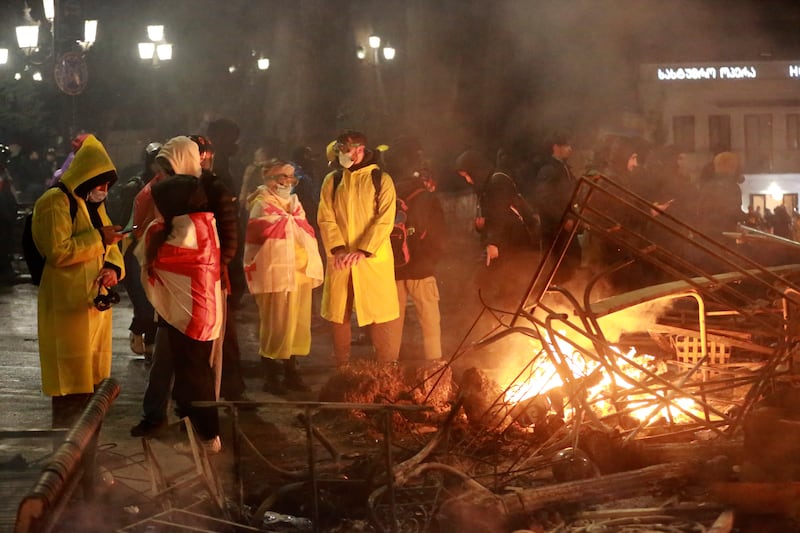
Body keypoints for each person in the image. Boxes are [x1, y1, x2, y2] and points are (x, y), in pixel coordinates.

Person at [135, 136, 223, 454]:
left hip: (193, 310)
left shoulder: (191, 225)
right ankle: (197, 433)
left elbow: (167, 258)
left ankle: (207, 436)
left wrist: (151, 236)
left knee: (195, 372)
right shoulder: (196, 218)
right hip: (185, 307)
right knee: (187, 373)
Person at [31, 134, 125, 428]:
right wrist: (99, 238)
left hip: (93, 308)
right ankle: (67, 461)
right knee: (71, 385)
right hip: (67, 307)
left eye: (108, 185)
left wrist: (113, 268)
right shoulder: (54, 202)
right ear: (85, 177)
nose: (104, 190)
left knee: (93, 388)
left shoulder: (91, 204)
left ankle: (86, 462)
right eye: (100, 183)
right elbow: (58, 251)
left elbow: (111, 247)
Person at [317, 130, 400, 366]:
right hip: (341, 259)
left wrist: (363, 250)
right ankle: (341, 369)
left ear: (360, 149)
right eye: (339, 150)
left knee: (378, 314)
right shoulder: (333, 180)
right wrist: (339, 250)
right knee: (339, 314)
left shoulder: (381, 179)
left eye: (345, 150)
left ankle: (385, 372)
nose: (341, 154)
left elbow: (385, 219)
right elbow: (325, 217)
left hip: (372, 260)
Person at [244, 159, 324, 393]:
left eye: (291, 178)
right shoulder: (262, 204)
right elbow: (259, 241)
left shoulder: (295, 204)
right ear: (268, 179)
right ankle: (270, 374)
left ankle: (291, 371)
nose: (287, 182)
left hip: (299, 275)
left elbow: (304, 231)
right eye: (282, 177)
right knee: (275, 325)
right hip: (275, 275)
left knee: (297, 324)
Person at [191, 134, 248, 402]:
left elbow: (229, 234)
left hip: (213, 275)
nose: (203, 160)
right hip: (187, 276)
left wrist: (219, 267)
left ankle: (230, 388)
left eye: (206, 155)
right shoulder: (174, 188)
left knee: (223, 334)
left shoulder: (216, 186)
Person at [383, 138, 446, 362]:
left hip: (394, 267)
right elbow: (439, 233)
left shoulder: (386, 193)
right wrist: (432, 259)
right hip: (422, 268)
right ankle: (435, 366)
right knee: (429, 321)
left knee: (391, 321)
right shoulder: (426, 197)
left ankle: (387, 368)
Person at [455, 149, 539, 309]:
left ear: (476, 170)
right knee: (500, 286)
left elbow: (500, 215)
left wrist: (493, 242)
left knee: (508, 287)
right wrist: (483, 227)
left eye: (467, 175)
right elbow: (494, 217)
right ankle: (504, 320)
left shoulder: (497, 182)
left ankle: (512, 322)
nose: (467, 180)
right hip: (505, 243)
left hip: (513, 245)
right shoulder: (487, 184)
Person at [121, 141, 162, 358]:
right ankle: (138, 330)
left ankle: (151, 345)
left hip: (156, 247)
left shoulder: (169, 185)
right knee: (143, 300)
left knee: (156, 300)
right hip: (134, 246)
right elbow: (125, 221)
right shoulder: (135, 187)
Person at [534, 132, 581, 281]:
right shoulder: (549, 170)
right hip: (555, 229)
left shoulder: (563, 168)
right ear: (556, 147)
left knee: (572, 261)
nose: (570, 149)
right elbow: (545, 199)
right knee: (558, 266)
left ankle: (570, 291)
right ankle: (557, 297)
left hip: (566, 226)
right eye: (566, 145)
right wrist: (564, 218)